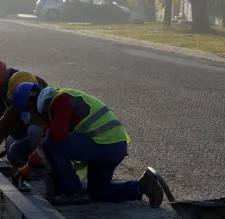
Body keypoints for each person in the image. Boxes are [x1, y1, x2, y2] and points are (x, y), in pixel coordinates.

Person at [11, 82, 164, 207]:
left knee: (52, 143)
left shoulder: (61, 100)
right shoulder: (57, 103)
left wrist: (37, 163)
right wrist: (29, 166)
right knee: (98, 192)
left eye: (30, 113)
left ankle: (73, 192)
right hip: (112, 146)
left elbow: (55, 137)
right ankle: (143, 187)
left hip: (105, 145)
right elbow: (48, 139)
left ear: (32, 104)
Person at [0, 61, 47, 165]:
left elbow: (12, 115)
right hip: (27, 124)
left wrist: (12, 136)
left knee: (32, 131)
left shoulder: (23, 85)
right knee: (13, 154)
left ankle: (42, 162)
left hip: (42, 132)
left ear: (5, 77)